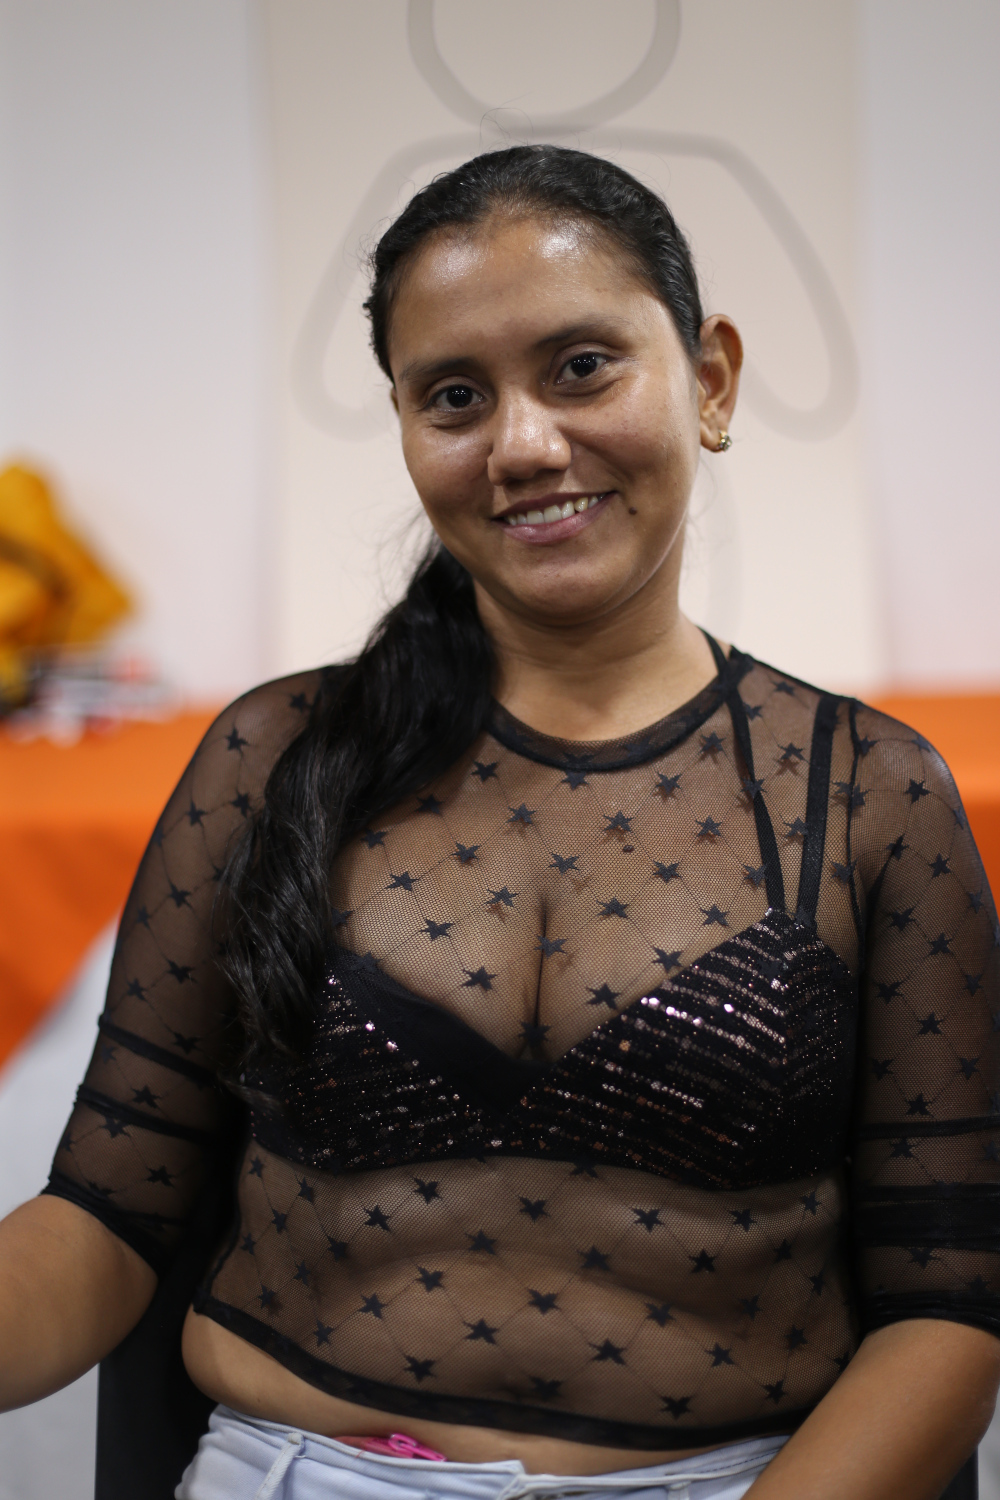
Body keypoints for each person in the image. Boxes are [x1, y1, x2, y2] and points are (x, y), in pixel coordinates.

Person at [1, 145, 998, 1500]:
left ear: (710, 379)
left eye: (582, 366)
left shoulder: (873, 797)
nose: (523, 445)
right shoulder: (272, 760)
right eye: (455, 396)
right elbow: (107, 1212)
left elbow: (950, 1304)